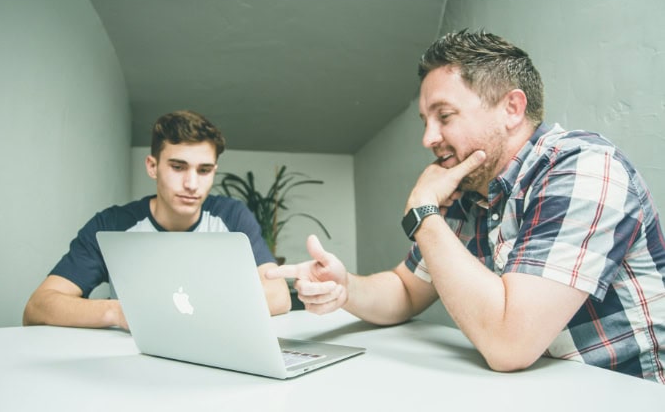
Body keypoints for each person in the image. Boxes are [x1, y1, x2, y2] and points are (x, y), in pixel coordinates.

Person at [268, 30, 665, 383]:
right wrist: (346, 287)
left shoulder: (584, 168)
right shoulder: (472, 189)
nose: (428, 137)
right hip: (539, 390)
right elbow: (407, 289)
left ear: (512, 108)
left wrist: (424, 212)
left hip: (626, 393)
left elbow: (510, 344)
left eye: (444, 116)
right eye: (425, 120)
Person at [24, 110, 291, 329]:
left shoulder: (231, 216)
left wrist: (186, 309)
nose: (191, 183)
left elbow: (279, 296)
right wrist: (119, 313)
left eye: (204, 170)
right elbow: (38, 307)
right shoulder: (112, 225)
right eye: (178, 167)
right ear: (153, 166)